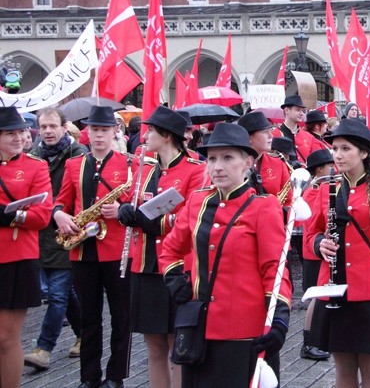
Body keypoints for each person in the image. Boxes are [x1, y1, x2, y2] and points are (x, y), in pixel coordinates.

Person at [159, 122, 292, 386]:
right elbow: (171, 248)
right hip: (199, 329)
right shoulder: (197, 201)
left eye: (227, 157)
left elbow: (274, 268)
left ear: (247, 162)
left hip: (245, 331)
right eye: (212, 159)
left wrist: (279, 317)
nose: (217, 166)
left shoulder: (263, 208)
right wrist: (176, 281)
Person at [305, 119, 370, 388]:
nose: (337, 155)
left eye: (345, 148)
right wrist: (318, 244)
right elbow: (309, 234)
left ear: (363, 152)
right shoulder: (326, 187)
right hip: (335, 290)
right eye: (335, 148)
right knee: (343, 370)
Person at [117, 106, 206, 388]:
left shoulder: (195, 170)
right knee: (153, 345)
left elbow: (193, 217)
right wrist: (125, 213)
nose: (146, 135)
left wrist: (155, 221)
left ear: (166, 136)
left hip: (177, 266)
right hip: (144, 263)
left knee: (176, 344)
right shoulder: (143, 166)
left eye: (152, 130)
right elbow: (133, 201)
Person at [53, 106, 132, 388]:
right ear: (87, 133)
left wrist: (121, 209)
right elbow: (61, 200)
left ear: (114, 132)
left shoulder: (128, 164)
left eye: (104, 129)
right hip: (82, 250)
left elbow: (136, 207)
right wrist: (59, 214)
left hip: (117, 251)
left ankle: (116, 376)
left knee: (121, 317)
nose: (99, 135)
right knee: (89, 319)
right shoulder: (75, 164)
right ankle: (89, 377)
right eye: (94, 130)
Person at [24, 108, 86, 371]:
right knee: (66, 292)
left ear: (64, 126)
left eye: (53, 126)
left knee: (58, 292)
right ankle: (84, 333)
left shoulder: (78, 154)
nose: (48, 131)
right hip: (40, 232)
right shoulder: (33, 155)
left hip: (68, 231)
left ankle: (43, 348)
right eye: (43, 127)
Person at [0, 107, 53, 388]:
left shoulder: (35, 166)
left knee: (6, 337)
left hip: (18, 258)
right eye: (10, 133)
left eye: (20, 132)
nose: (19, 138)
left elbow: (42, 216)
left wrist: (10, 216)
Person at [299, 150, 335, 361]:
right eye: (330, 165)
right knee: (315, 298)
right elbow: (314, 223)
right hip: (314, 253)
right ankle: (309, 342)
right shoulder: (314, 191)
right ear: (320, 169)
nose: (335, 168)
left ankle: (314, 340)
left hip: (319, 251)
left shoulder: (318, 187)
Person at [238, 111, 292, 203]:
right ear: (249, 138)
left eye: (270, 131)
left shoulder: (279, 164)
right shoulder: (234, 165)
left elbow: (288, 201)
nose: (271, 136)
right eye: (265, 132)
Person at [272, 95, 308, 164]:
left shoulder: (308, 137)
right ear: (286, 110)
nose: (301, 113)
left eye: (302, 110)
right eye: (297, 110)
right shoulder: (274, 135)